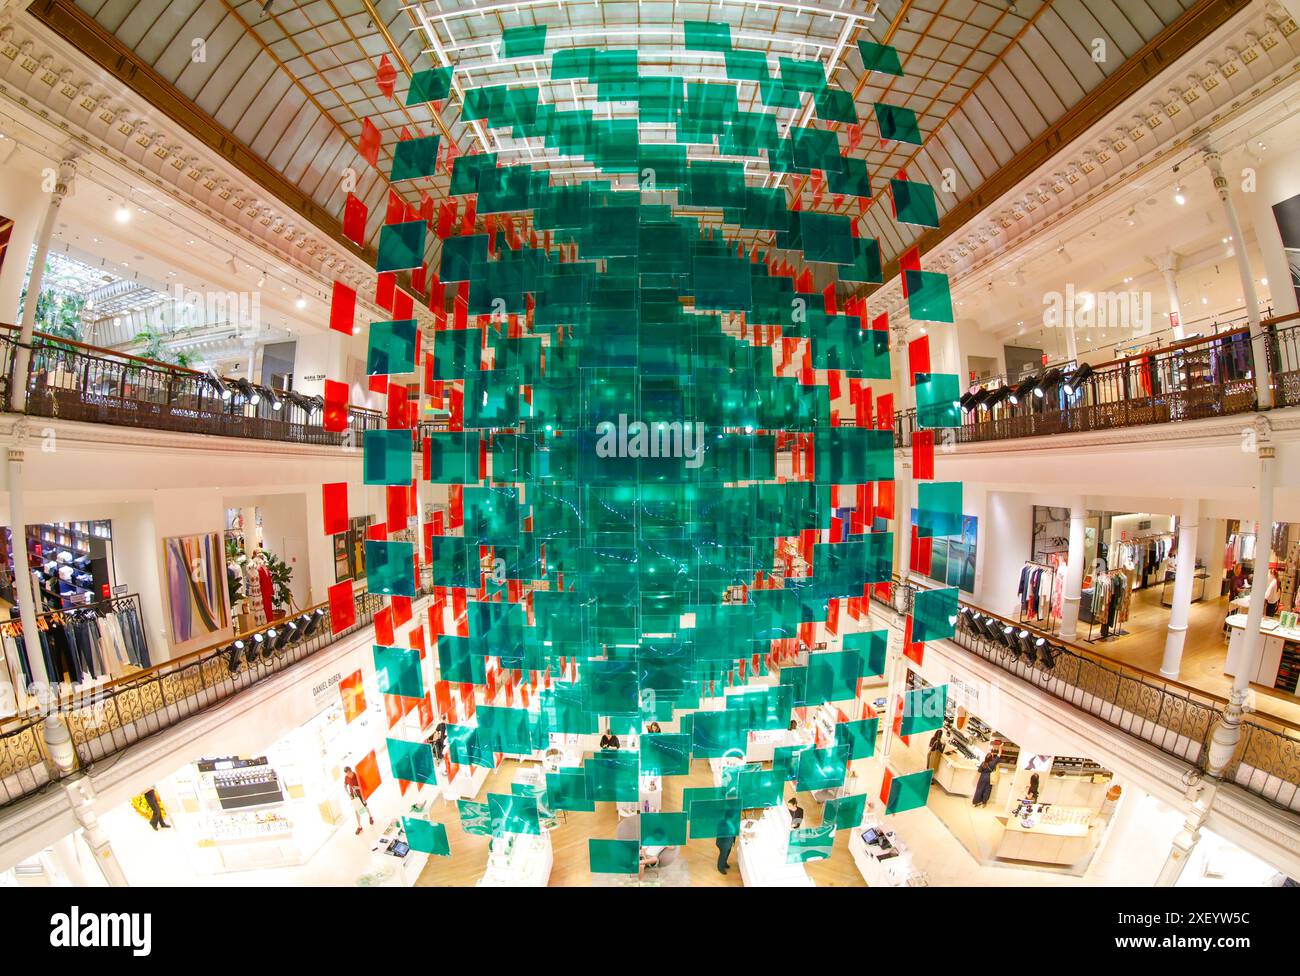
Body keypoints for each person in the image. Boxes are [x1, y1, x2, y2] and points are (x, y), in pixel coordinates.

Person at [343, 765, 374, 835]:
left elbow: (364, 786)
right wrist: (349, 794)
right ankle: (359, 826)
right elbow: (345, 785)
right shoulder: (346, 777)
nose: (348, 775)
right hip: (354, 796)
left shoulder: (357, 776)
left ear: (351, 771)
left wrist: (357, 788)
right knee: (357, 811)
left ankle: (370, 816)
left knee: (364, 808)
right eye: (346, 774)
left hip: (361, 795)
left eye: (348, 773)